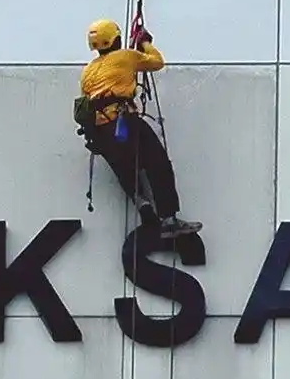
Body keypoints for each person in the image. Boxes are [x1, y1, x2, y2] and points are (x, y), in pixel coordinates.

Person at [78, 18, 202, 239]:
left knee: (126, 169)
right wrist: (144, 42)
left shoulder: (88, 71)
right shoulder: (126, 56)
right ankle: (169, 220)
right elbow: (156, 62)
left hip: (100, 132)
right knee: (157, 163)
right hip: (124, 122)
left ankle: (144, 206)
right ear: (115, 38)